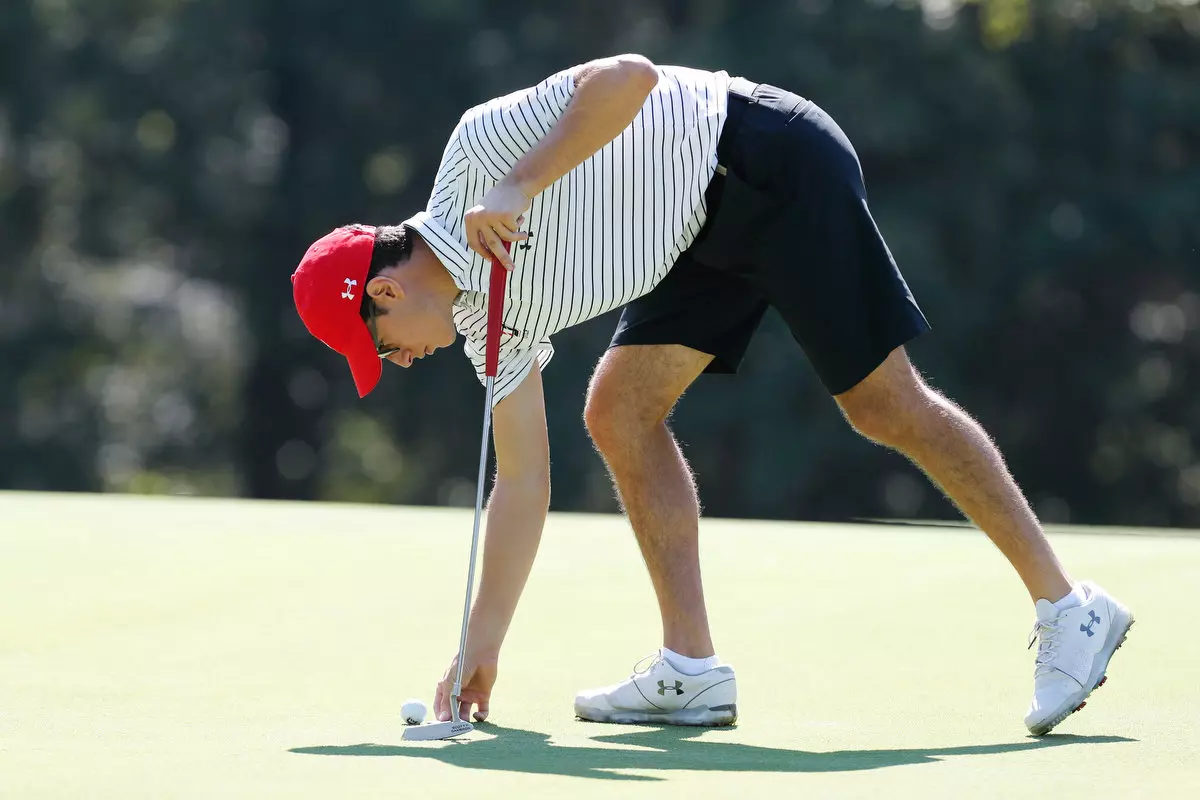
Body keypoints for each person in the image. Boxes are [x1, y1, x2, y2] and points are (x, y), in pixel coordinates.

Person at [290, 55, 1133, 735]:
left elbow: (629, 79)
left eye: (381, 352)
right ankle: (691, 669)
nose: (398, 364)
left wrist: (518, 184)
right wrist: (481, 644)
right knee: (617, 411)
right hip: (703, 231)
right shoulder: (485, 327)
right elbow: (522, 484)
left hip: (766, 156)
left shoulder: (478, 151)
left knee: (883, 405)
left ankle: (1070, 609)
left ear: (388, 296)